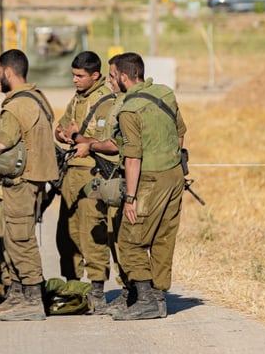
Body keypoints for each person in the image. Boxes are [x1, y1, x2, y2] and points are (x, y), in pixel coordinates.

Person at [0, 48, 57, 322]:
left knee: (20, 240)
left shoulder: (15, 105)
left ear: (9, 72)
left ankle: (32, 300)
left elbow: (3, 141)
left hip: (21, 183)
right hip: (36, 178)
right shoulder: (38, 98)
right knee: (16, 237)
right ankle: (20, 296)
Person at [108, 51, 187, 321]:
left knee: (130, 238)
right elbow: (180, 134)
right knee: (164, 238)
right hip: (175, 175)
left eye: (111, 76)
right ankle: (159, 297)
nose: (110, 82)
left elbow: (133, 157)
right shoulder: (165, 94)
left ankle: (144, 299)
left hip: (150, 179)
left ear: (123, 76)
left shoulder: (129, 109)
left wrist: (130, 198)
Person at [53, 50, 117, 312]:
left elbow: (107, 141)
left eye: (80, 76)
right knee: (67, 233)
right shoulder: (77, 98)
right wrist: (63, 133)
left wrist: (80, 137)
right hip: (71, 173)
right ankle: (73, 285)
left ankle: (97, 290)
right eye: (73, 75)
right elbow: (62, 126)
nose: (75, 80)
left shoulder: (107, 101)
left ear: (95, 76)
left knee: (92, 230)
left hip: (94, 173)